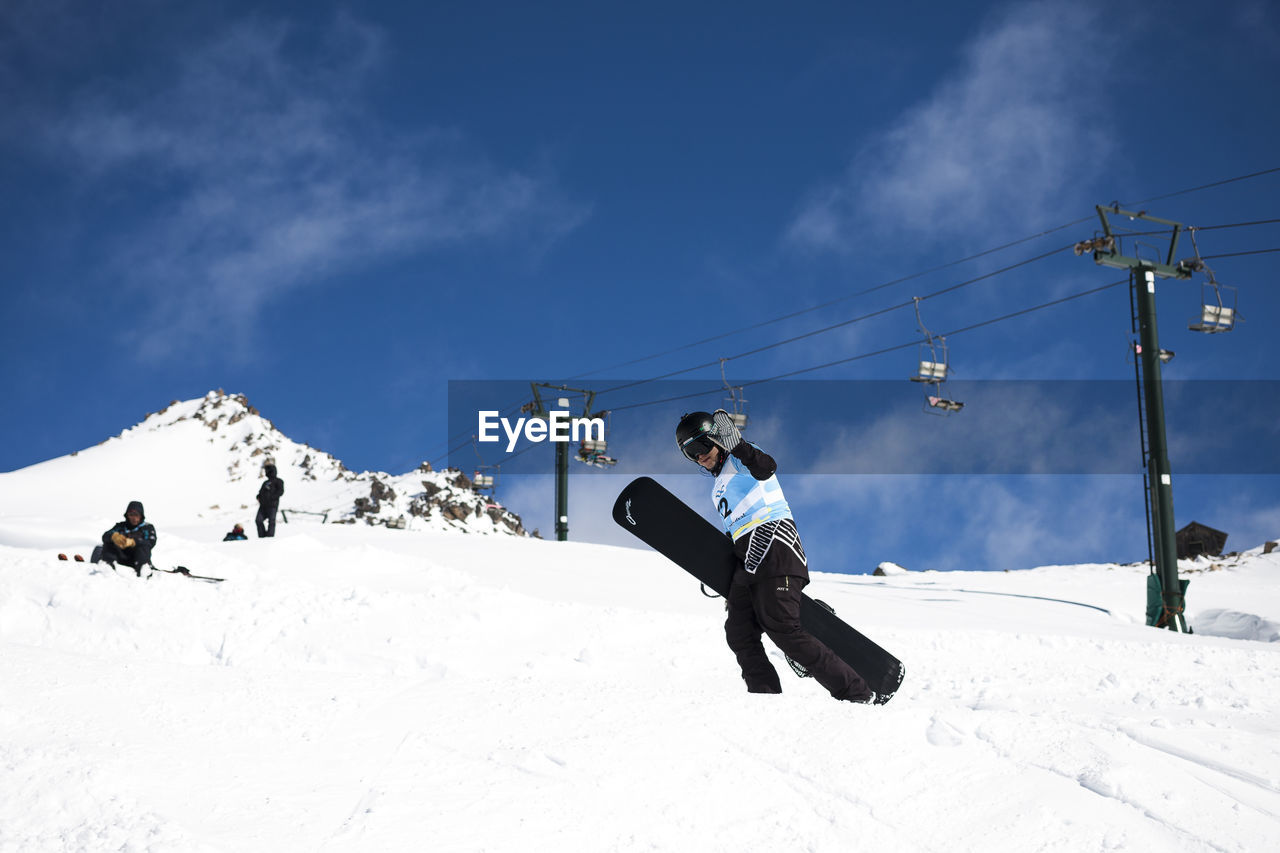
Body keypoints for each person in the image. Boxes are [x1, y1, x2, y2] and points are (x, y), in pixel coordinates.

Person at [675, 410, 875, 704]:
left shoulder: (741, 458)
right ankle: (765, 701)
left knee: (782, 628)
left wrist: (739, 446)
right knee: (739, 633)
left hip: (775, 547)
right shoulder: (717, 487)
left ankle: (857, 693)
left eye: (702, 446)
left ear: (718, 439)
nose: (699, 456)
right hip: (747, 559)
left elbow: (766, 468)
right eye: (690, 453)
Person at [97, 500, 158, 579]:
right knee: (107, 544)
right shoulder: (120, 526)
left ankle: (143, 570)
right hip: (120, 557)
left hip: (139, 558)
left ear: (141, 516)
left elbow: (150, 541)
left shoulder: (147, 528)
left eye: (136, 515)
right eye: (131, 515)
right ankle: (107, 566)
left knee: (144, 547)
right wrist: (113, 537)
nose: (134, 518)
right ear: (127, 515)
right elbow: (105, 536)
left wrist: (133, 542)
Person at [255, 463, 285, 538]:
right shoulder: (265, 483)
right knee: (258, 520)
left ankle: (269, 537)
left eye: (267, 470)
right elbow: (260, 492)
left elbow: (280, 491)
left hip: (272, 506)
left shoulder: (279, 481)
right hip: (263, 506)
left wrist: (271, 497)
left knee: (271, 521)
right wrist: (258, 496)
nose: (266, 472)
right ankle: (262, 537)